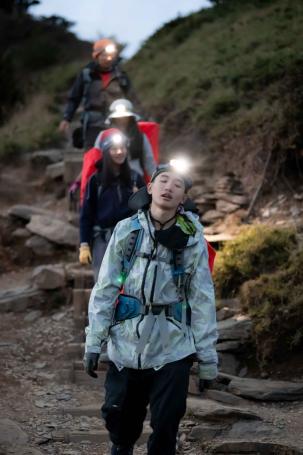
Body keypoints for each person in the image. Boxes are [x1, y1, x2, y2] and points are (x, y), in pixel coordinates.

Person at [84, 162, 218, 455]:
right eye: (163, 181)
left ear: (183, 198)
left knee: (167, 423)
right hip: (126, 342)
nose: (169, 187)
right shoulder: (126, 230)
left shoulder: (192, 238)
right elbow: (105, 288)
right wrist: (94, 342)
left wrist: (207, 358)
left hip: (173, 346)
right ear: (150, 188)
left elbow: (202, 299)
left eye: (177, 185)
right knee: (119, 421)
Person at [79, 128, 145, 281]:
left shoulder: (135, 178)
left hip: (131, 238)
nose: (119, 152)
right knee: (104, 284)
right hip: (103, 239)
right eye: (114, 149)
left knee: (133, 285)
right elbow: (86, 214)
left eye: (122, 148)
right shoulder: (96, 181)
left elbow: (147, 209)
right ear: (106, 152)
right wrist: (84, 244)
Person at [59, 38, 140, 149]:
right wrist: (67, 118)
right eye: (104, 55)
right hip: (93, 123)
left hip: (116, 121)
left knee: (118, 152)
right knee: (92, 154)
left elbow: (132, 97)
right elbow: (74, 97)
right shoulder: (86, 74)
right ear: (97, 56)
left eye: (111, 56)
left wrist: (140, 117)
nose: (108, 59)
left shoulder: (120, 75)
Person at [79, 98, 157, 204]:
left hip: (135, 179)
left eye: (125, 117)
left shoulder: (141, 137)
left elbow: (149, 162)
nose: (122, 120)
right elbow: (95, 159)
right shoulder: (103, 136)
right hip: (109, 179)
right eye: (118, 118)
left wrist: (157, 183)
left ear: (131, 118)